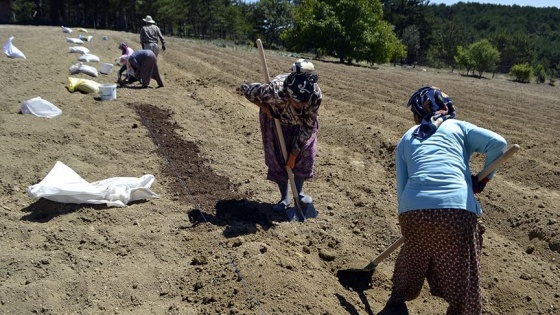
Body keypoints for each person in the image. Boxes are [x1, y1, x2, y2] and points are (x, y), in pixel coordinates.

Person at [377, 86, 507, 315]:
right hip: (456, 212)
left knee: (413, 257)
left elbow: (402, 186)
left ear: (418, 113)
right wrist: (481, 180)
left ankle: (396, 304)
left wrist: (409, 221)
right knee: (464, 276)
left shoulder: (408, 136)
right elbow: (498, 144)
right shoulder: (458, 127)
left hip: (412, 209)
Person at [240, 59, 322, 214]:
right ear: (289, 96)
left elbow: (307, 128)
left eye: (304, 102)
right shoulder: (274, 92)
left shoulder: (314, 95)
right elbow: (245, 88)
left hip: (302, 124)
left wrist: (293, 155)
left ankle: (299, 193)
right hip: (277, 120)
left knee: (305, 154)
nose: (302, 106)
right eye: (298, 103)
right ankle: (284, 198)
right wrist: (265, 108)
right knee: (278, 158)